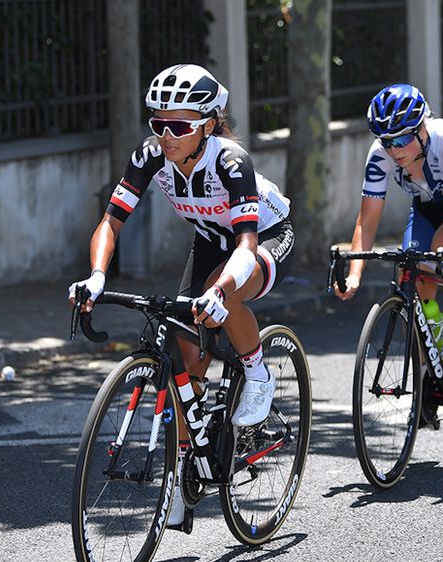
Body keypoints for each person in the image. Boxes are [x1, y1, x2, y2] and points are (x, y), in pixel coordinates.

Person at [68, 64, 295, 529]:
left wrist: (221, 291)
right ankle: (183, 471)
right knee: (181, 357)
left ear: (208, 125)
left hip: (263, 239)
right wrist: (95, 276)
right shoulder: (152, 155)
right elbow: (110, 223)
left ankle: (257, 371)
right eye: (158, 123)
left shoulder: (230, 161)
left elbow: (247, 247)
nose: (166, 135)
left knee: (222, 297)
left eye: (178, 125)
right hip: (212, 239)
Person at [333, 83, 443, 367]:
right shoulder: (380, 155)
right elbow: (367, 220)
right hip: (428, 207)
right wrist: (354, 275)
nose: (394, 150)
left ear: (422, 129)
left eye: (401, 140)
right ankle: (432, 363)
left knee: (442, 246)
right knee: (411, 269)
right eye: (386, 141)